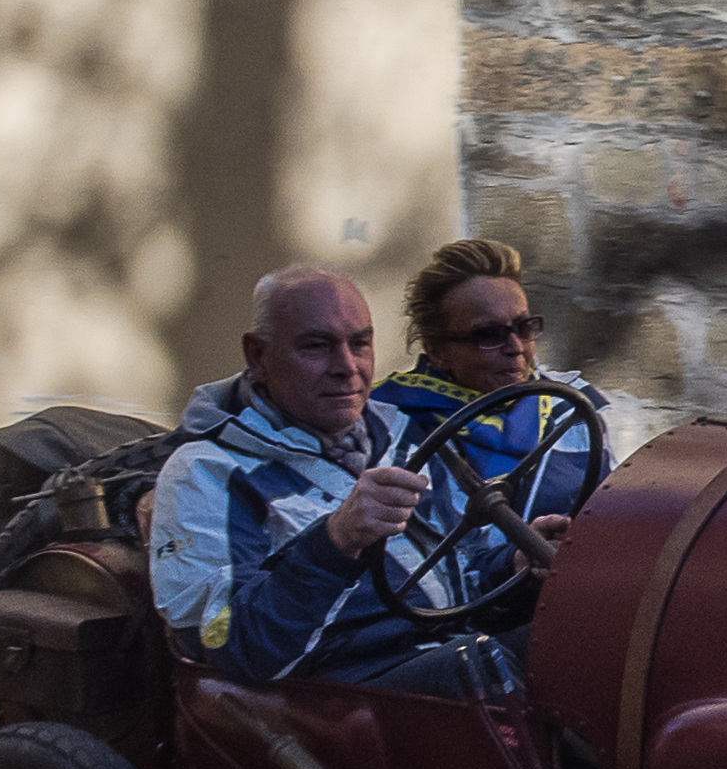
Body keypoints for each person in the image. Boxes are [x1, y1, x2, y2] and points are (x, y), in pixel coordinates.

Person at [147, 263, 513, 692]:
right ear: (258, 356)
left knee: (592, 640)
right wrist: (335, 540)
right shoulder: (206, 473)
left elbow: (467, 565)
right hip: (336, 699)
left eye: (360, 344)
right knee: (483, 668)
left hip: (447, 653)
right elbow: (230, 644)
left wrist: (515, 565)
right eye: (316, 346)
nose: (347, 366)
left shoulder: (404, 436)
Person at [375, 238, 606, 553]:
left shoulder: (572, 411)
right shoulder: (393, 426)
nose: (516, 348)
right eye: (489, 334)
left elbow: (614, 517)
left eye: (524, 327)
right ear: (438, 350)